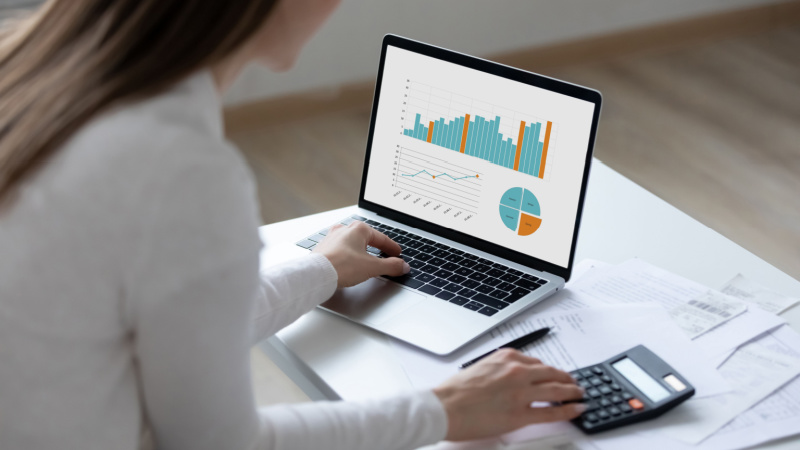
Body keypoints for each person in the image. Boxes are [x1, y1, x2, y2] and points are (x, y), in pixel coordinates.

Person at [0, 1, 586, 449]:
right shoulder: (177, 171)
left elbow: (163, 326)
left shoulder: (30, 82)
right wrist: (443, 409)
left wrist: (322, 270)